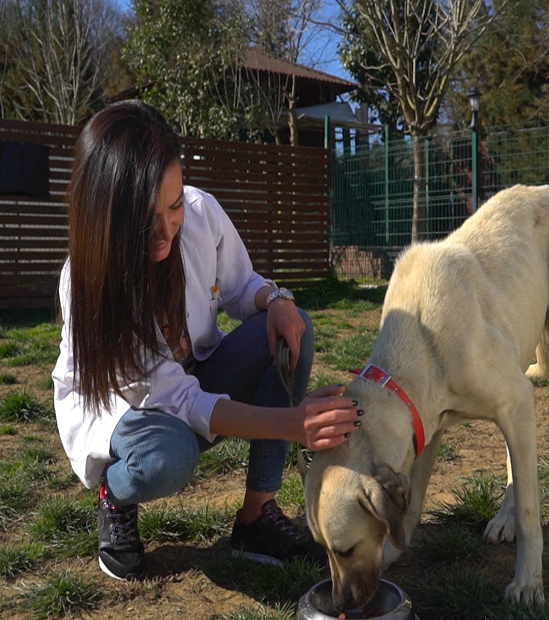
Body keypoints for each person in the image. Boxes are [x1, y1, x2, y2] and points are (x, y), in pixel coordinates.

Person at [51, 100, 361, 581]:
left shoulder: (199, 214)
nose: (166, 229)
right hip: (125, 410)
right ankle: (116, 492)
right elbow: (181, 402)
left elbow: (240, 287)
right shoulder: (91, 282)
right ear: (107, 215)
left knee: (289, 326)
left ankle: (256, 518)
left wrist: (275, 299)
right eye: (143, 217)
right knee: (168, 457)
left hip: (191, 380)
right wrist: (292, 424)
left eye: (172, 206)